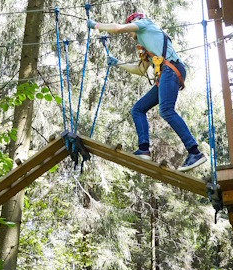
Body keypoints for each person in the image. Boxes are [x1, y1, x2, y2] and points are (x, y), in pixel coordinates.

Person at [87, 12, 206, 172]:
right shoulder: (146, 45)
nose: (129, 35)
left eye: (130, 30)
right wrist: (118, 64)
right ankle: (144, 149)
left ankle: (194, 152)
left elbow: (117, 29)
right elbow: (140, 70)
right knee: (138, 109)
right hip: (167, 73)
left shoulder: (144, 24)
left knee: (166, 110)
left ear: (134, 22)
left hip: (171, 69)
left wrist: (96, 25)